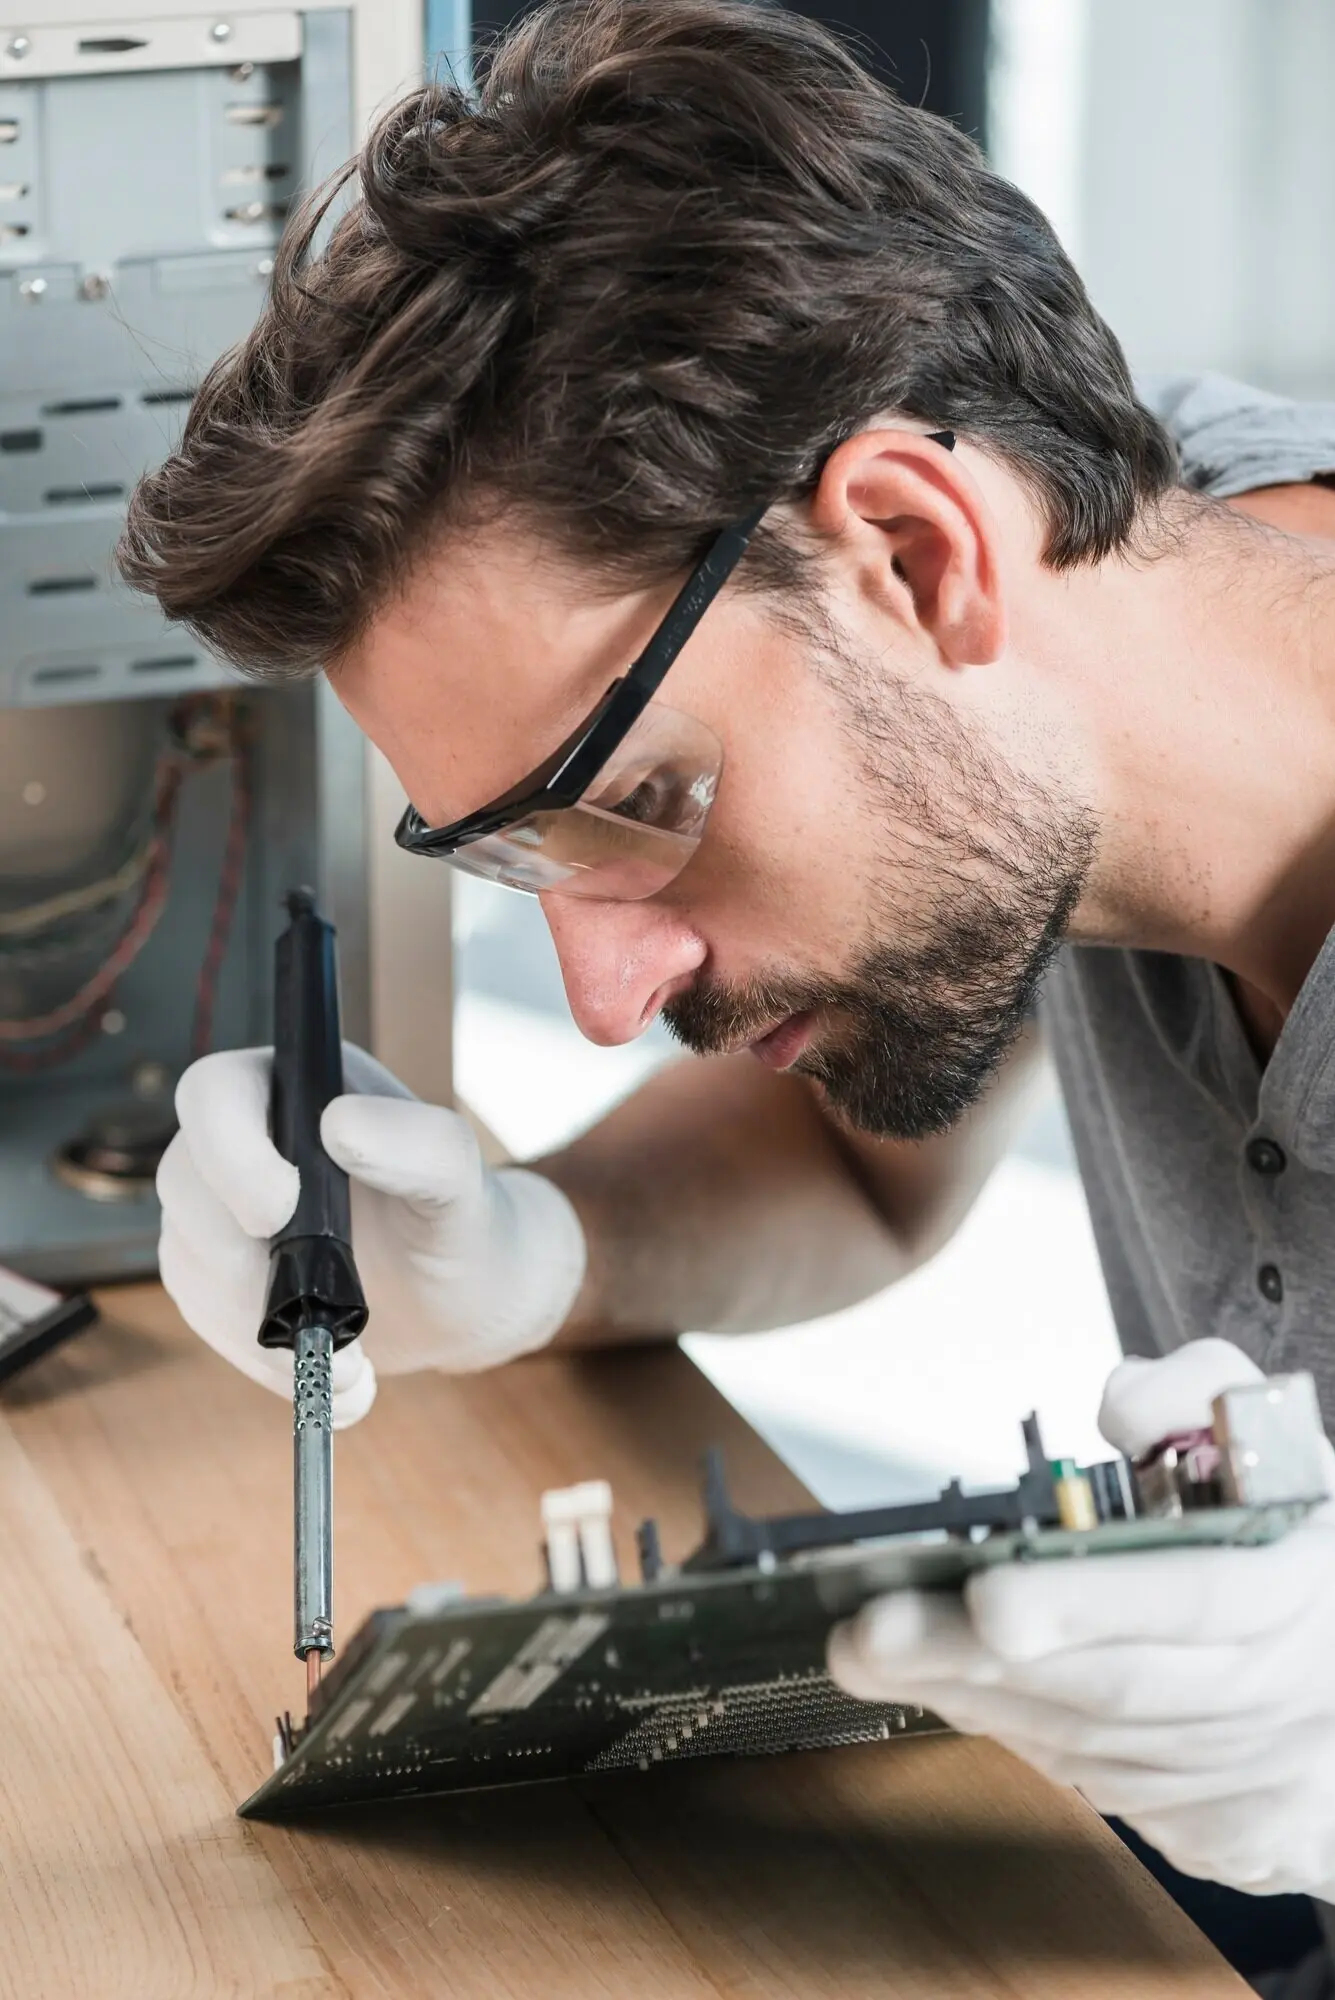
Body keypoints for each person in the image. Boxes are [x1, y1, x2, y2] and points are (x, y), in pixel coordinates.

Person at [118, 2, 1335, 1985]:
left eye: (640, 809)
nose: (602, 997)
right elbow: (856, 1162)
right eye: (524, 856)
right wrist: (532, 1249)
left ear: (918, 551)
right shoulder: (1128, 587)